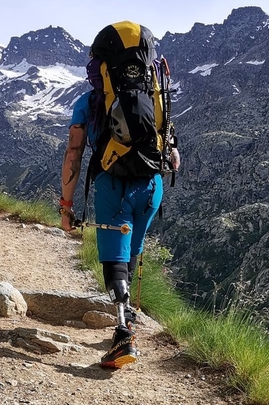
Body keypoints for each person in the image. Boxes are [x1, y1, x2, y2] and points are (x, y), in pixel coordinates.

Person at [60, 35, 180, 369]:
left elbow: (74, 152)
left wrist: (66, 205)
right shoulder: (157, 96)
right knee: (132, 252)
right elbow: (171, 148)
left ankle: (123, 336)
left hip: (113, 186)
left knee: (114, 258)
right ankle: (129, 315)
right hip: (152, 187)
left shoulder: (88, 102)